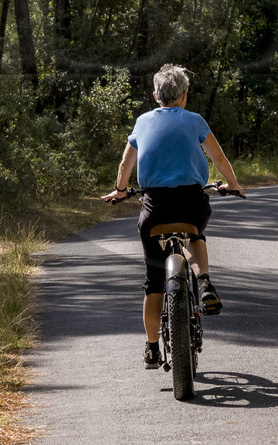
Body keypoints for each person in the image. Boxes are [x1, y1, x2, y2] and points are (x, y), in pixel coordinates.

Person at [103, 64, 243, 369]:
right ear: (184, 95)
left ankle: (152, 348)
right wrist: (231, 184)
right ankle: (203, 281)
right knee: (195, 233)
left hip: (154, 207)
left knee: (153, 282)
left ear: (156, 95)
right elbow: (218, 157)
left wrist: (121, 190)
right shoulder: (195, 121)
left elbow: (126, 163)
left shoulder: (142, 122)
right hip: (191, 201)